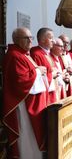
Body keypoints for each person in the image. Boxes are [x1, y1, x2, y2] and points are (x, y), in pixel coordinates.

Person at [2, 27, 48, 158]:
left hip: (29, 101)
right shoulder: (14, 55)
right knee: (27, 133)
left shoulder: (24, 54)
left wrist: (37, 71)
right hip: (21, 103)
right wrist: (38, 71)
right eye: (26, 38)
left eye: (31, 37)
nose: (30, 41)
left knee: (32, 135)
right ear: (16, 40)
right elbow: (21, 81)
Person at [30, 27, 57, 104]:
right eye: (51, 38)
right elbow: (38, 78)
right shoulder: (36, 54)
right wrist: (52, 75)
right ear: (42, 40)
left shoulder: (47, 53)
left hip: (53, 90)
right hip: (44, 95)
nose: (54, 41)